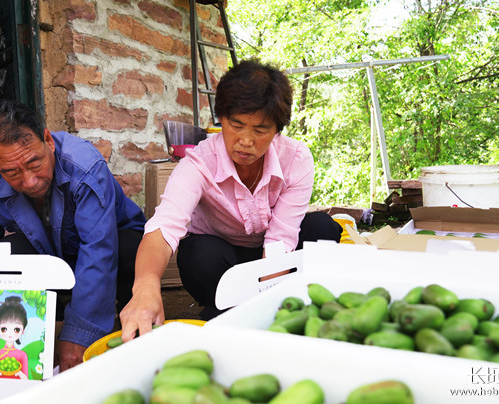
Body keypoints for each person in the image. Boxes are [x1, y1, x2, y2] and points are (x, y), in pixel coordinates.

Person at [120, 60, 342, 341]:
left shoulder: (296, 159)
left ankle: (290, 305)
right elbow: (165, 226)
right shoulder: (199, 163)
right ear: (221, 119)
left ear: (277, 130)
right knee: (199, 255)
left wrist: (269, 300)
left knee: (322, 228)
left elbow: (281, 239)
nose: (246, 141)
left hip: (274, 255)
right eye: (236, 125)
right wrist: (146, 286)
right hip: (224, 259)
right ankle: (223, 308)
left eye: (260, 130)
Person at [0, 100, 146, 371]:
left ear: (48, 140)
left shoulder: (85, 167)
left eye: (34, 163)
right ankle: (43, 328)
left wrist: (78, 336)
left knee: (130, 248)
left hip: (107, 246)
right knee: (8, 253)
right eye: (11, 173)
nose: (30, 181)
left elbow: (99, 250)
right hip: (51, 254)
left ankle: (132, 326)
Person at [0, 296, 29, 380]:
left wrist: (19, 373)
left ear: (23, 331)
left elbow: (26, 379)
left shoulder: (22, 355)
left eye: (16, 329)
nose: (10, 334)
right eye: (4, 329)